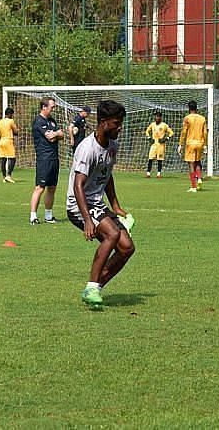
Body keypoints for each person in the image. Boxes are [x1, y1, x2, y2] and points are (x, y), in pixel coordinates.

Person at [66, 100, 135, 307]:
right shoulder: (87, 148)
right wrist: (87, 220)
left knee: (127, 248)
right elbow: (78, 185)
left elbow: (107, 175)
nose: (120, 127)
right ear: (103, 122)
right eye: (116, 123)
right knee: (113, 235)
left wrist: (115, 206)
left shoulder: (112, 145)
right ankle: (91, 286)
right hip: (79, 205)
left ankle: (96, 287)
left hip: (98, 204)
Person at [29, 96, 64, 225]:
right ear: (44, 107)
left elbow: (62, 135)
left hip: (54, 158)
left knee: (52, 188)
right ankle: (33, 216)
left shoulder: (52, 121)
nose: (53, 109)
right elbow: (50, 137)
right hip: (44, 159)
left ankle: (49, 216)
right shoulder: (38, 121)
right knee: (40, 187)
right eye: (52, 107)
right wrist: (56, 134)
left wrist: (56, 134)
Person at [177, 100, 208, 192]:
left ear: (189, 108)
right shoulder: (202, 118)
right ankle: (199, 178)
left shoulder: (187, 118)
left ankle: (193, 187)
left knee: (191, 164)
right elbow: (205, 132)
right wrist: (205, 145)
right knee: (198, 161)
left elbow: (184, 132)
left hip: (190, 143)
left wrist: (180, 144)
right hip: (200, 143)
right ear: (196, 108)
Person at [145, 111, 174, 178]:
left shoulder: (164, 125)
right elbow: (147, 131)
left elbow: (171, 133)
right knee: (150, 159)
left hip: (161, 145)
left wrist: (166, 139)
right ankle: (148, 173)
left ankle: (158, 174)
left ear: (160, 117)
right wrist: (149, 138)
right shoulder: (152, 124)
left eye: (158, 116)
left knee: (159, 160)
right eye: (156, 116)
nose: (157, 117)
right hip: (154, 144)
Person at [0, 107, 19, 183]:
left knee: (3, 159)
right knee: (12, 158)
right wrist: (16, 132)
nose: (12, 116)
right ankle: (9, 176)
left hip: (1, 141)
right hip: (8, 140)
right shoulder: (11, 121)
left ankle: (4, 177)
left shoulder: (0, 122)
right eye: (12, 114)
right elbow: (15, 131)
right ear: (9, 114)